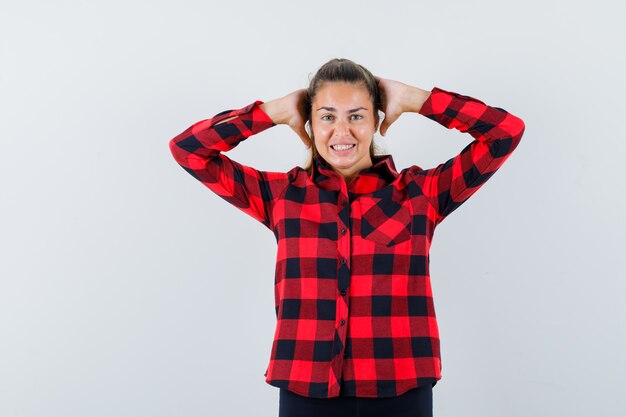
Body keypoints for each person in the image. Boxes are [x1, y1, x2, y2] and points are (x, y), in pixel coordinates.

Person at [169, 58, 525, 417]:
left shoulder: (422, 194)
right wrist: (272, 112)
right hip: (305, 387)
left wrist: (417, 99)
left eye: (356, 116)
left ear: (376, 121)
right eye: (327, 116)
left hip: (401, 387)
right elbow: (189, 150)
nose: (342, 132)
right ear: (310, 123)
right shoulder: (281, 196)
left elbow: (505, 133)